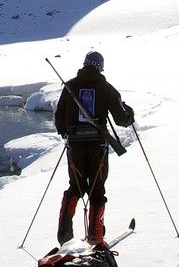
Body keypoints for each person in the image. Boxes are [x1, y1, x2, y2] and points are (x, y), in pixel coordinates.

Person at [54, 50, 135, 244]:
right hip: (98, 147)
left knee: (76, 186)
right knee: (97, 190)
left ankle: (64, 234)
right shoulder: (106, 88)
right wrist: (130, 112)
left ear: (84, 64)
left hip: (75, 148)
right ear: (101, 67)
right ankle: (95, 236)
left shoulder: (70, 86)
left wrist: (67, 133)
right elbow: (122, 120)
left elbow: (59, 119)